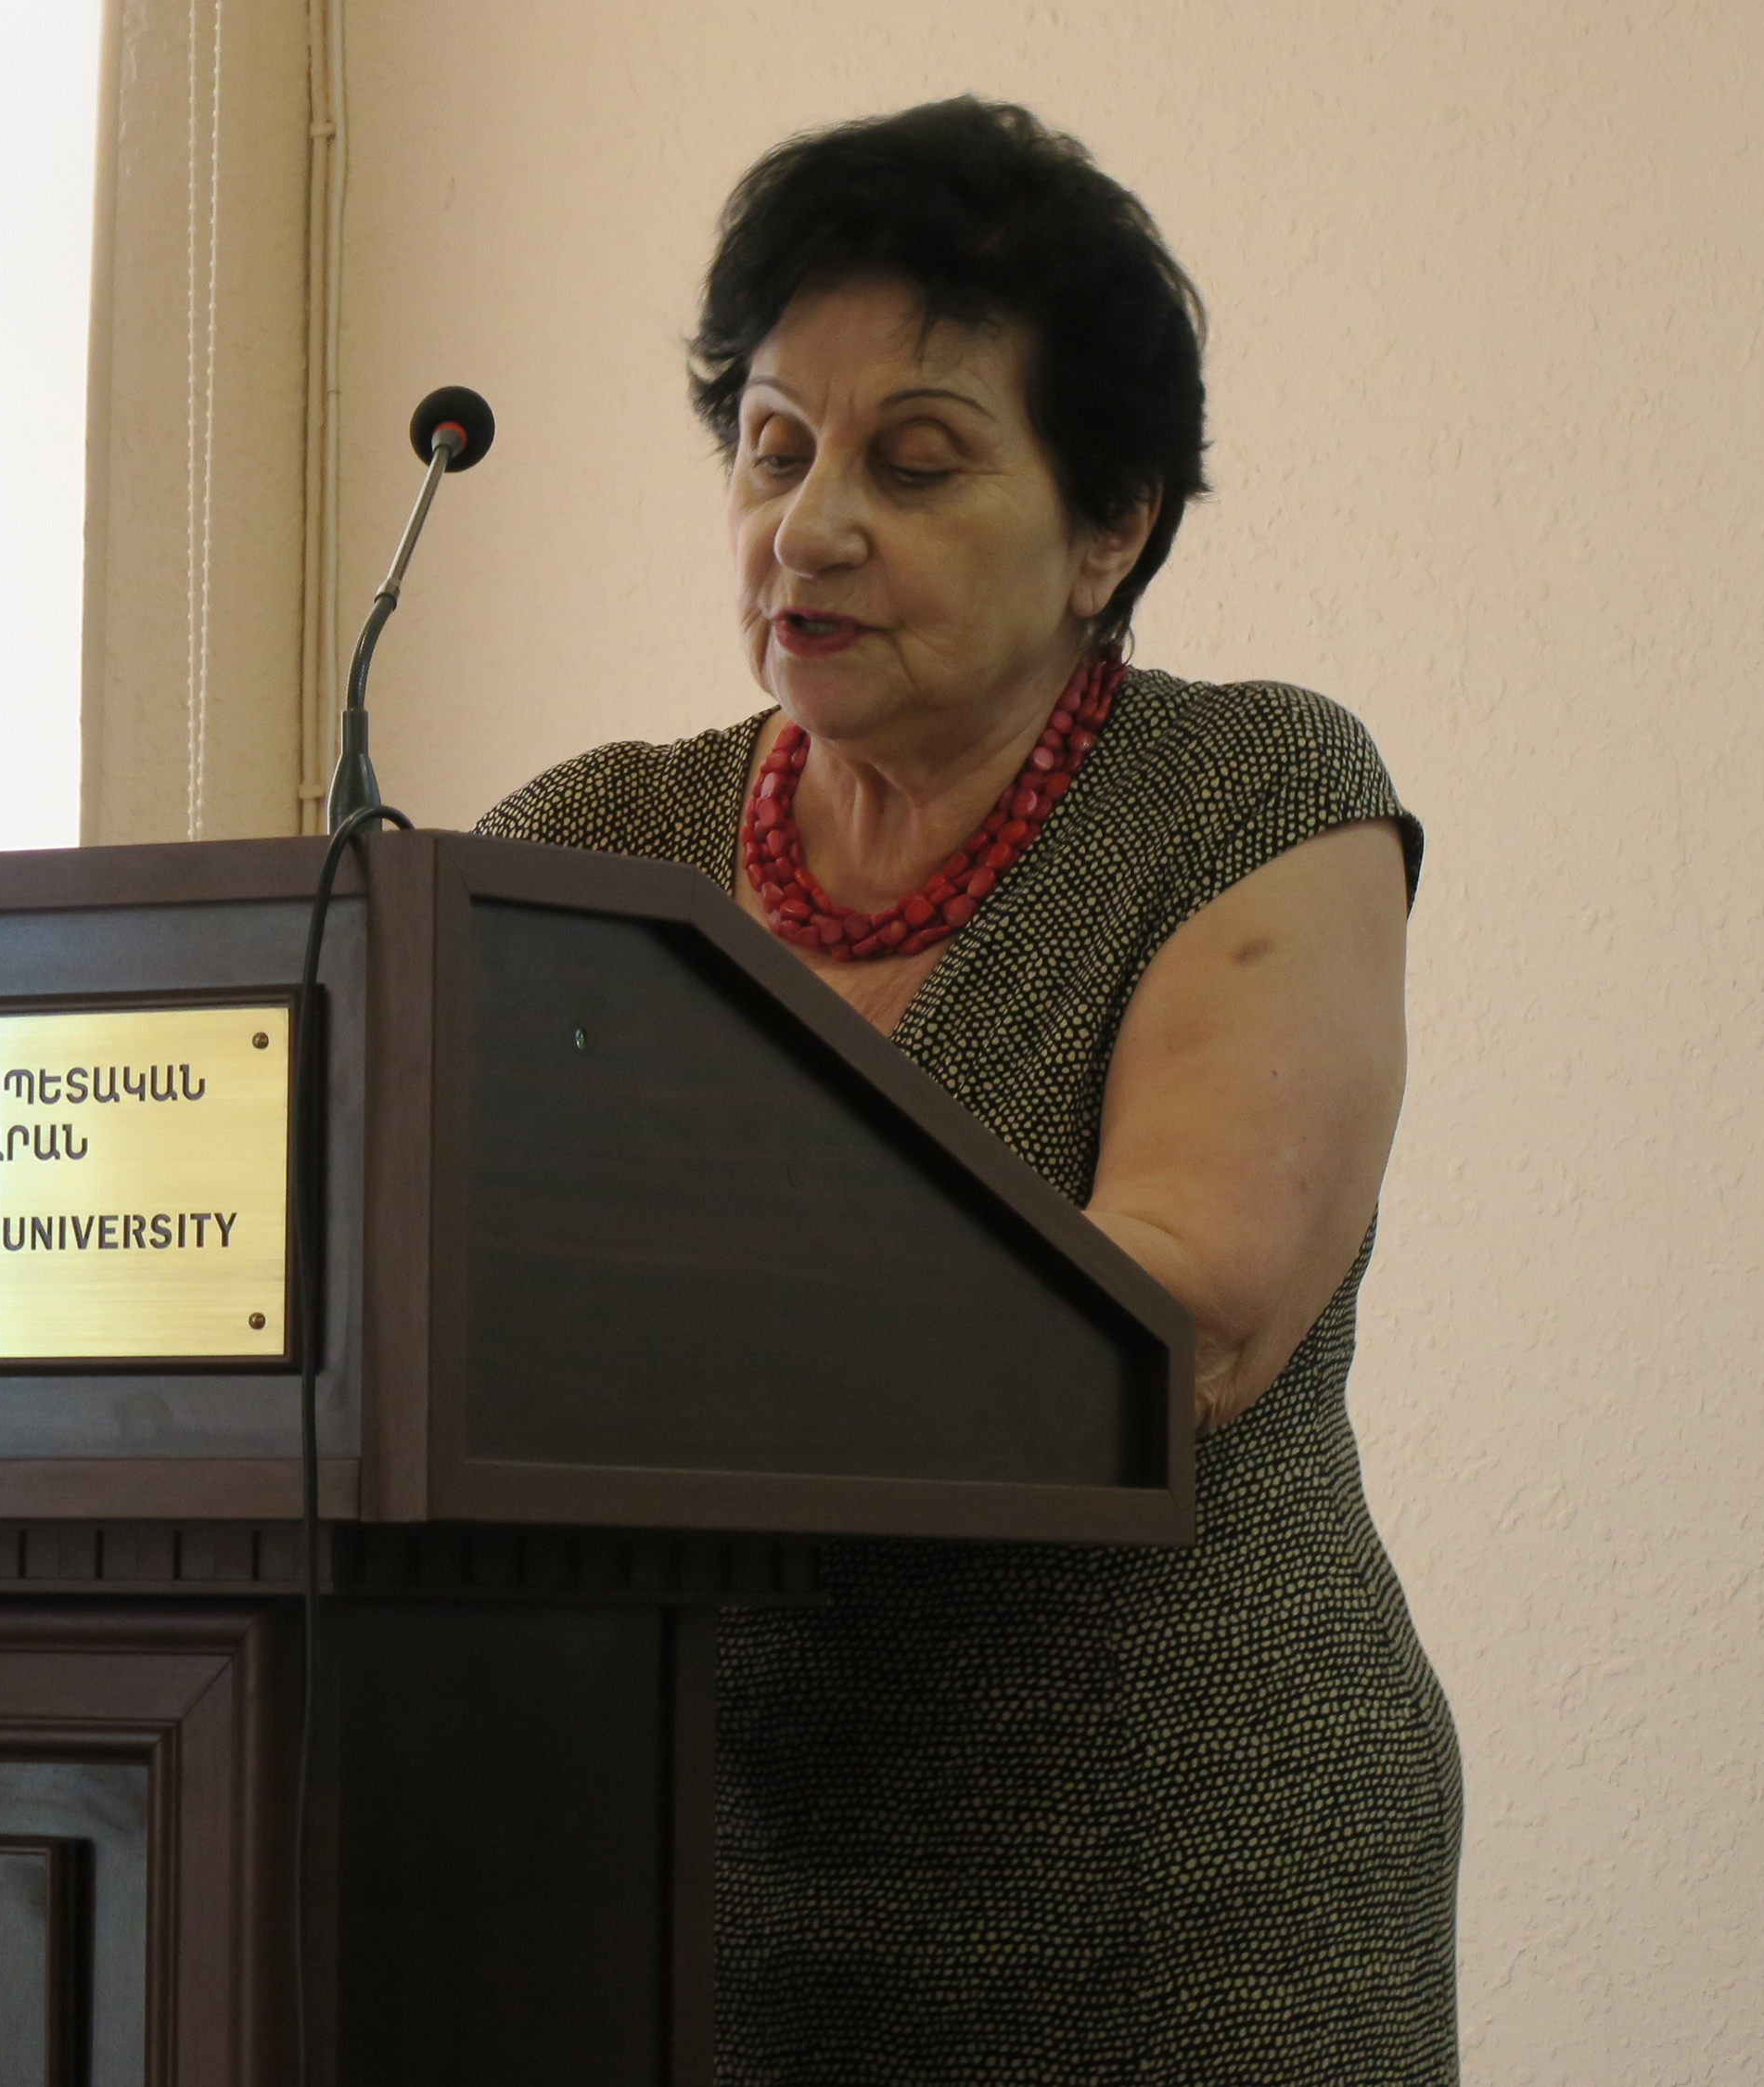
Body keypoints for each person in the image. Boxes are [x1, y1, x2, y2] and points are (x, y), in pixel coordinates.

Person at [476, 98, 1461, 2081]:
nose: (810, 526)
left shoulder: (1247, 796)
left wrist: (645, 1334)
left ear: (1111, 527)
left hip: (1174, 1890)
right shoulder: (593, 847)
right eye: (773, 448)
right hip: (700, 1878)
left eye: (913, 464)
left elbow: (1173, 1319)